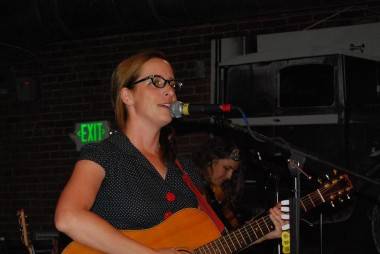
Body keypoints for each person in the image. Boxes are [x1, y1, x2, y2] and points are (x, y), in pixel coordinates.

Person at [54, 50, 286, 254]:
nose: (170, 92)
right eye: (156, 82)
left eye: (172, 84)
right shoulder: (103, 155)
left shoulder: (185, 171)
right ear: (127, 96)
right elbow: (68, 217)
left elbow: (213, 243)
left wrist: (261, 233)